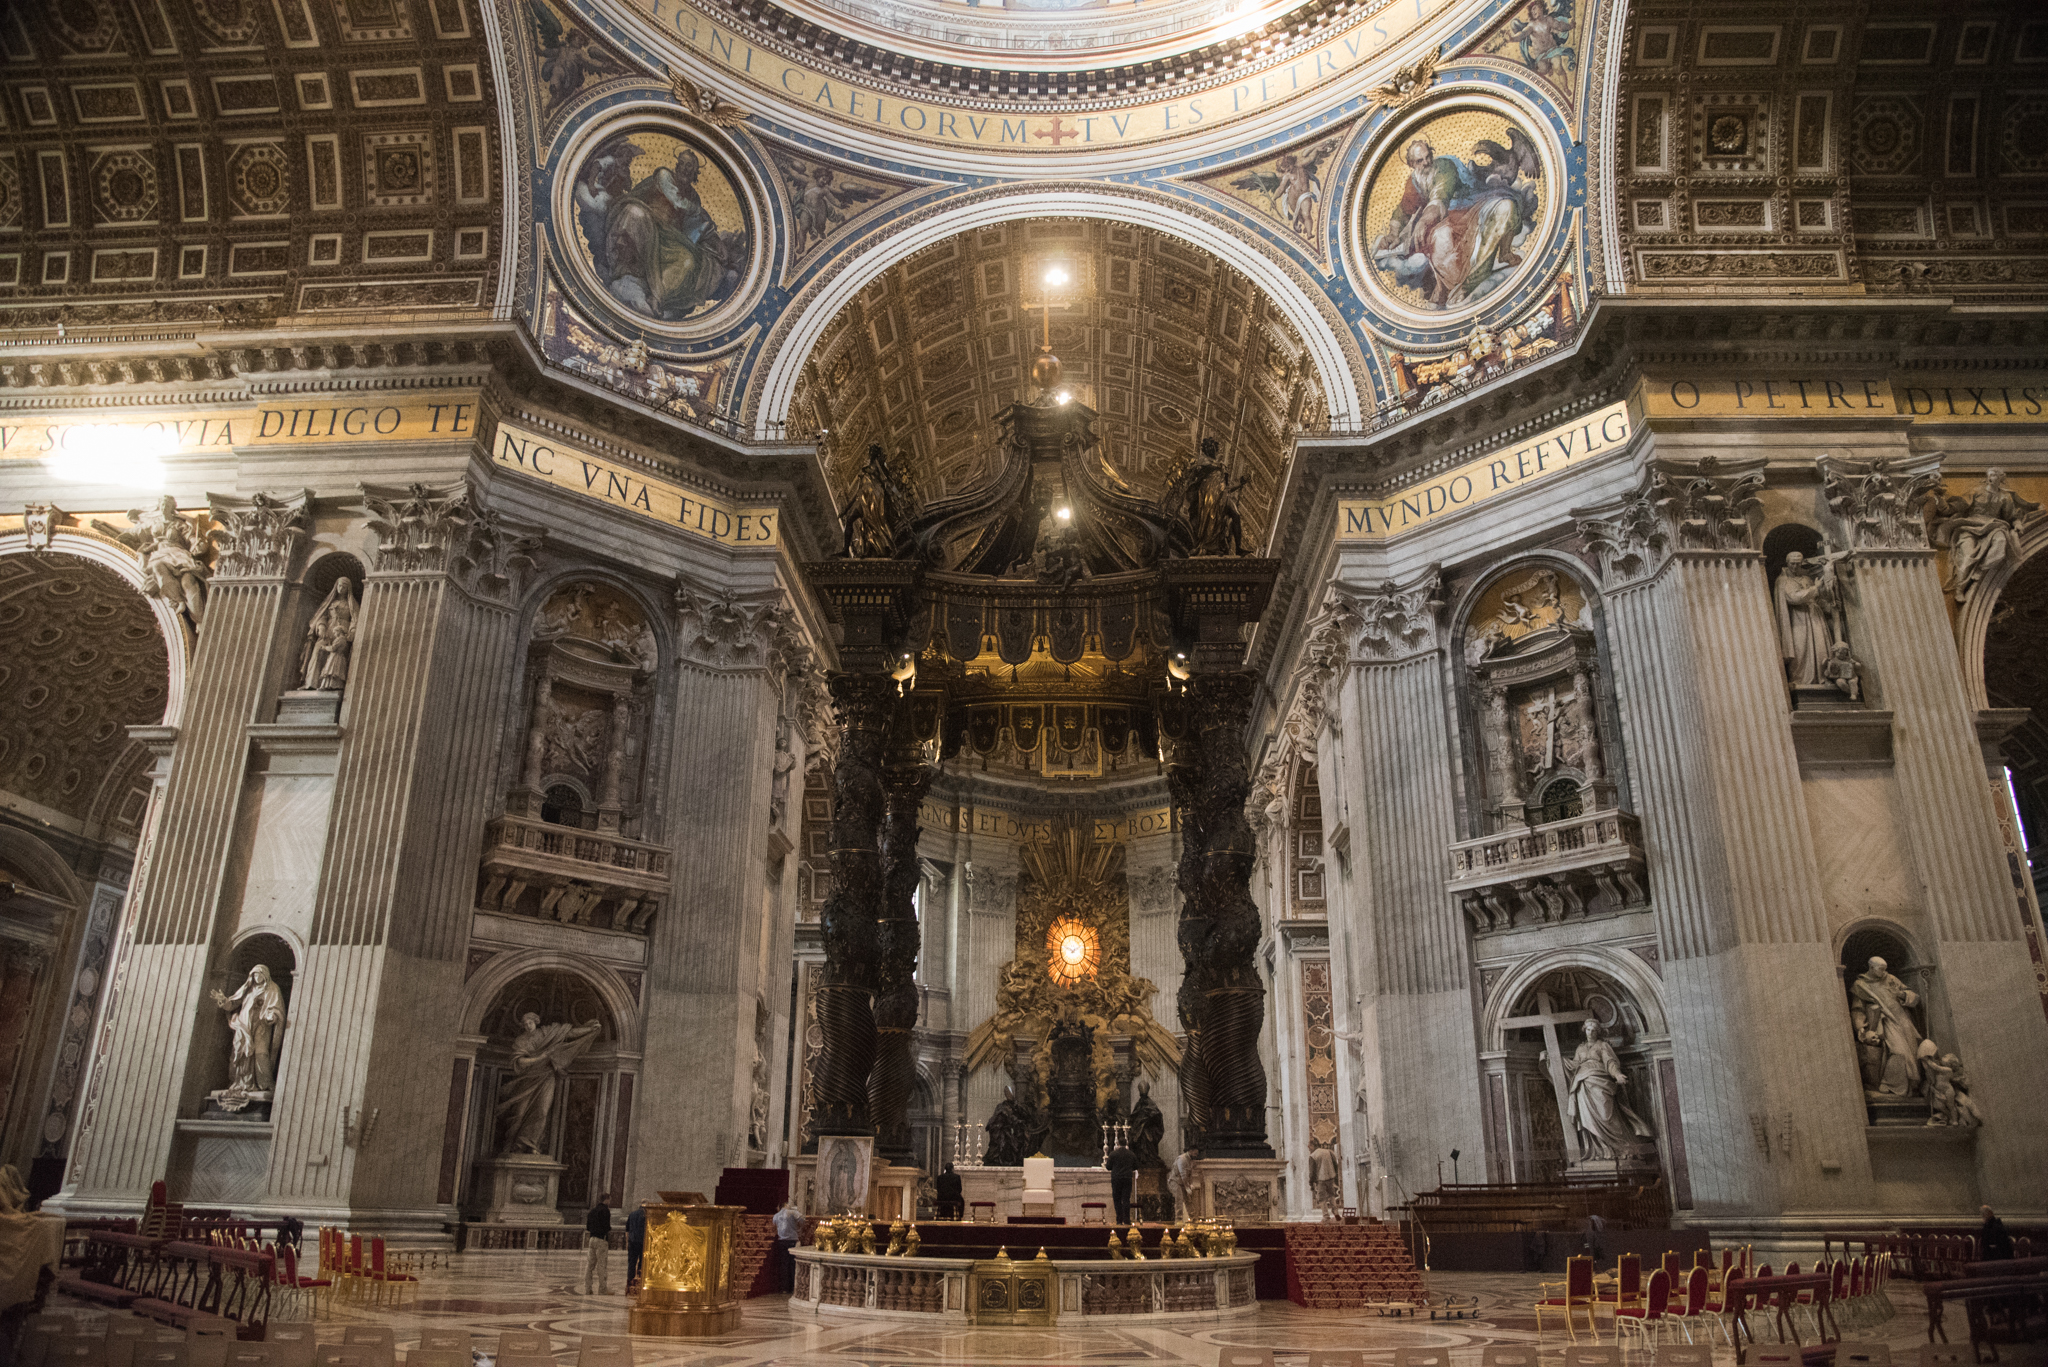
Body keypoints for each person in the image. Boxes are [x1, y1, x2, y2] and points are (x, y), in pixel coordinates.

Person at [773, 1200, 805, 1293]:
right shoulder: (793, 1212)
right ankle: (793, 1286)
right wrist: (798, 1229)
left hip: (781, 1241)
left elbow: (774, 1227)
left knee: (784, 1264)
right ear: (786, 1205)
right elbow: (802, 1220)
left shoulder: (776, 1216)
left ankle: (784, 1288)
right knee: (793, 1264)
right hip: (792, 1240)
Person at [584, 1194, 612, 1295]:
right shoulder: (605, 1211)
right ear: (607, 1200)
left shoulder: (592, 1211)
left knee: (589, 1265)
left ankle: (588, 1288)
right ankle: (602, 1289)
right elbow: (607, 1227)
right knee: (601, 1265)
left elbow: (588, 1227)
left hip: (592, 1239)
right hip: (601, 1240)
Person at [1107, 1141, 1137, 1226]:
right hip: (1127, 1178)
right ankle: (1127, 1220)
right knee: (1126, 1199)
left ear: (1118, 1144)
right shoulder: (1131, 1154)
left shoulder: (1113, 1154)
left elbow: (1108, 1167)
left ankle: (1119, 1220)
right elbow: (1136, 1166)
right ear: (1126, 1144)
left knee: (1117, 1199)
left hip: (1116, 1178)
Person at [1167, 1147, 1198, 1221]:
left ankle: (1193, 1219)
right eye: (1195, 1153)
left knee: (1188, 1200)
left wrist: (1190, 1185)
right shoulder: (1182, 1159)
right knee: (1179, 1200)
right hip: (1175, 1182)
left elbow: (1189, 1174)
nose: (1196, 1155)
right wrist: (1187, 1187)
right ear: (1190, 1151)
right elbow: (1183, 1175)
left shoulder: (1191, 1160)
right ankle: (1179, 1220)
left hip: (1183, 1183)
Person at [625, 1198, 647, 1290]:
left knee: (631, 1263)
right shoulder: (646, 1216)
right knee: (642, 1263)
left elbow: (627, 1230)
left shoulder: (632, 1214)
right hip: (642, 1243)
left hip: (632, 1242)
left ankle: (629, 1282)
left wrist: (627, 1242)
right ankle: (638, 1282)